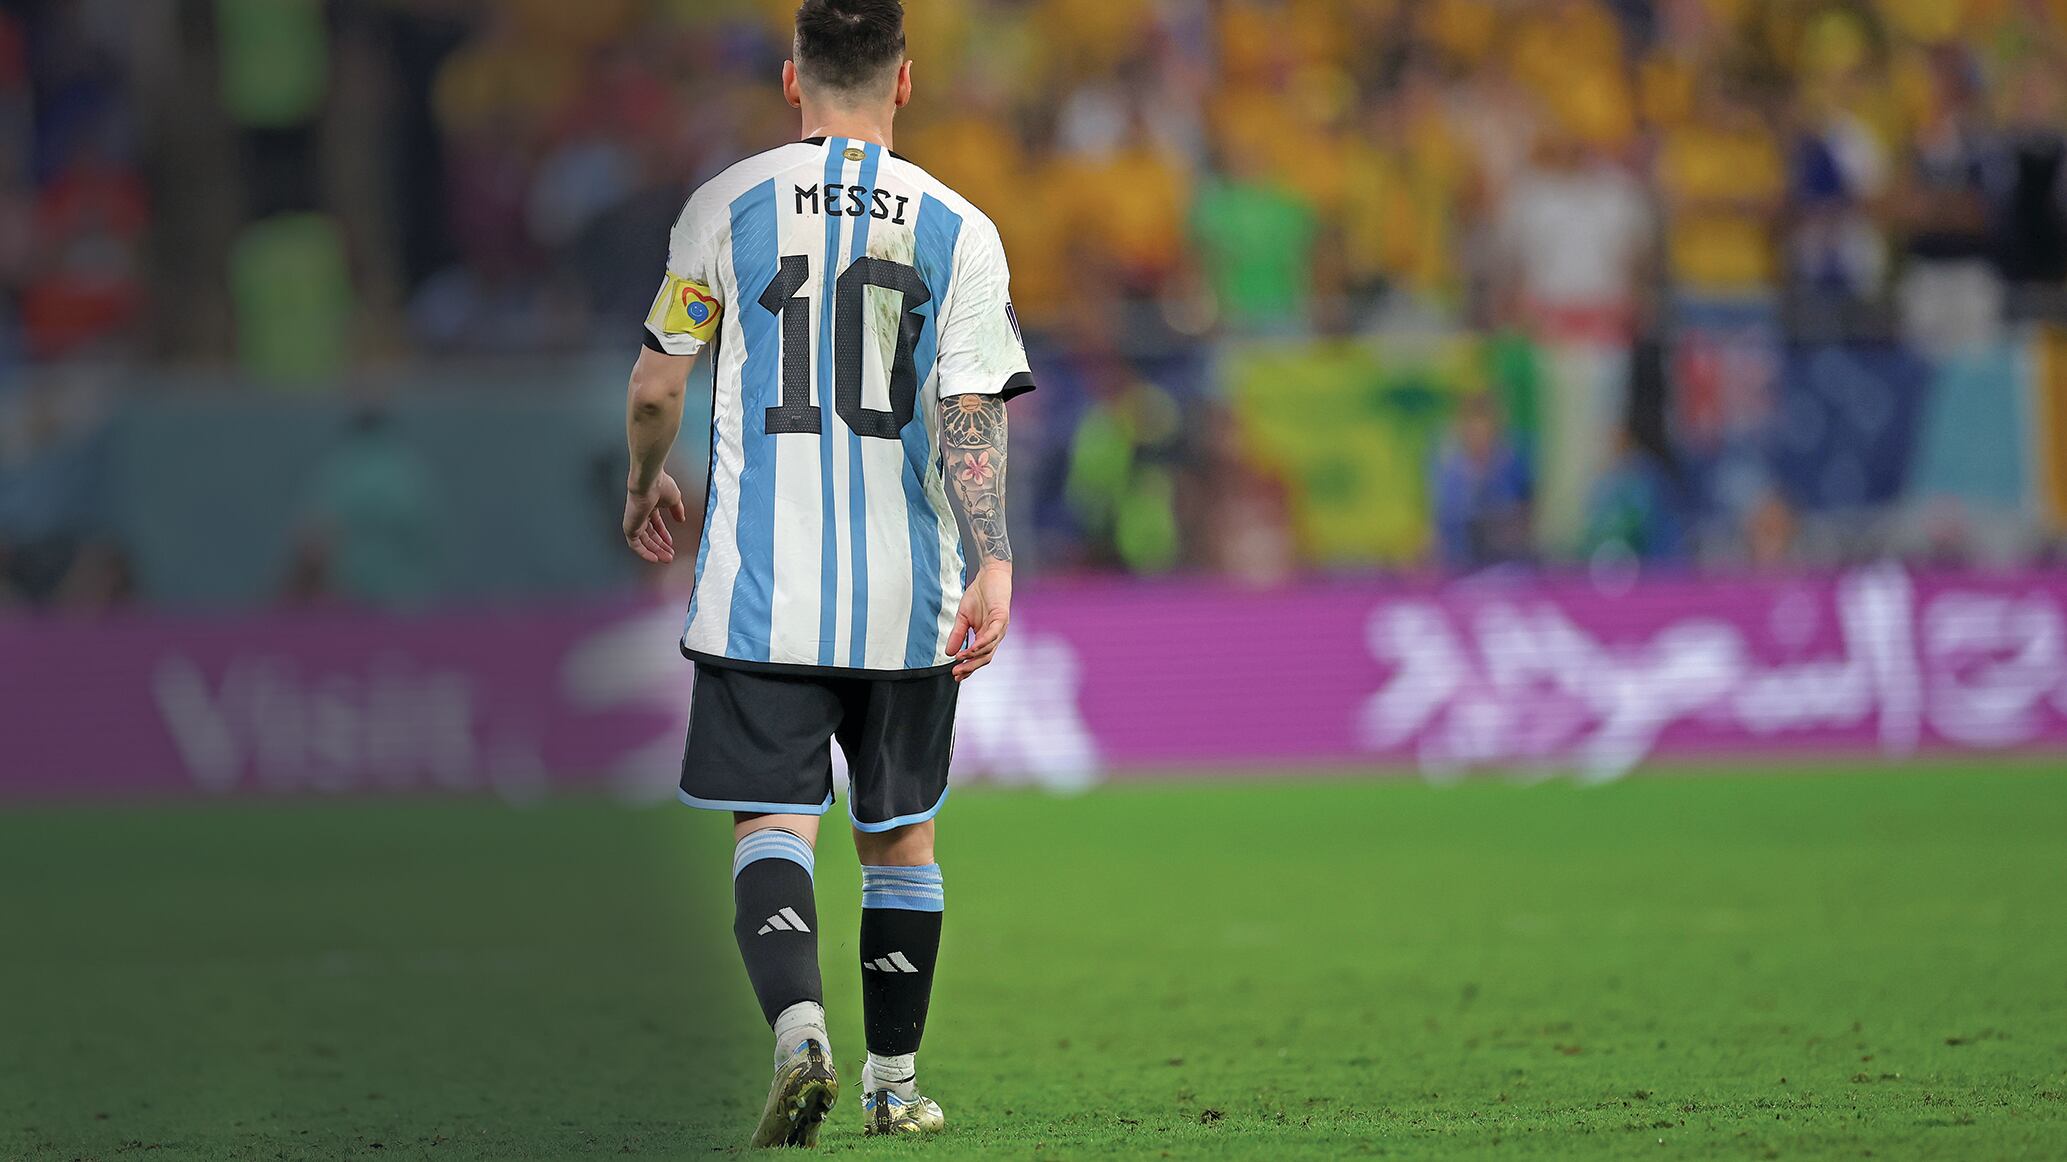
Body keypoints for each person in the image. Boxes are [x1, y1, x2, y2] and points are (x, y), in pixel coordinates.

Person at [616, 0, 1033, 1145]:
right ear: (906, 80)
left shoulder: (725, 205)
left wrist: (648, 475)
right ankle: (893, 1085)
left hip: (762, 595)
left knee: (774, 827)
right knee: (900, 837)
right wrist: (992, 556)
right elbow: (968, 410)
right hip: (905, 604)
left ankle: (799, 1027)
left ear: (792, 79)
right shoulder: (962, 228)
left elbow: (659, 385)